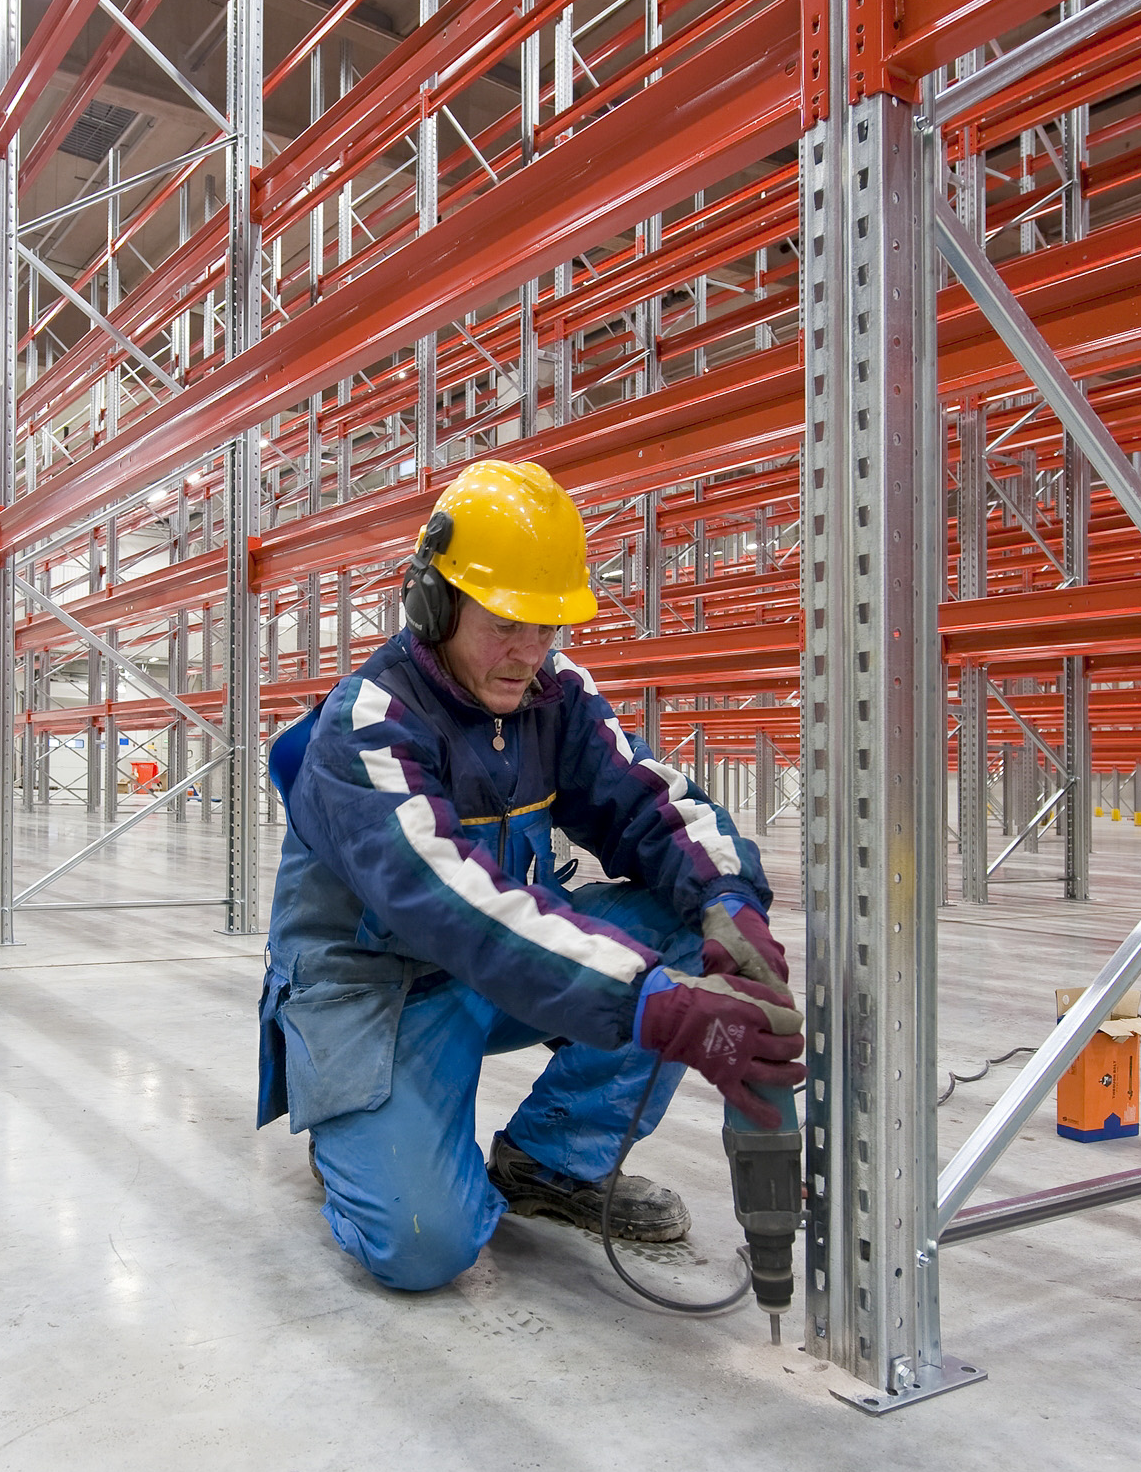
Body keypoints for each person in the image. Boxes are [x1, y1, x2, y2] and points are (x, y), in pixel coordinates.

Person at [260, 460, 803, 1292]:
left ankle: (553, 1165)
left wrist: (731, 903)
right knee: (423, 1243)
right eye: (506, 623)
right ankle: (356, 1143)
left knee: (684, 925)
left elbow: (651, 806)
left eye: (549, 626)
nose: (529, 653)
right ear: (434, 603)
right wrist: (649, 1003)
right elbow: (453, 907)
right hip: (378, 995)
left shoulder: (556, 696)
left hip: (498, 972)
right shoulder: (371, 727)